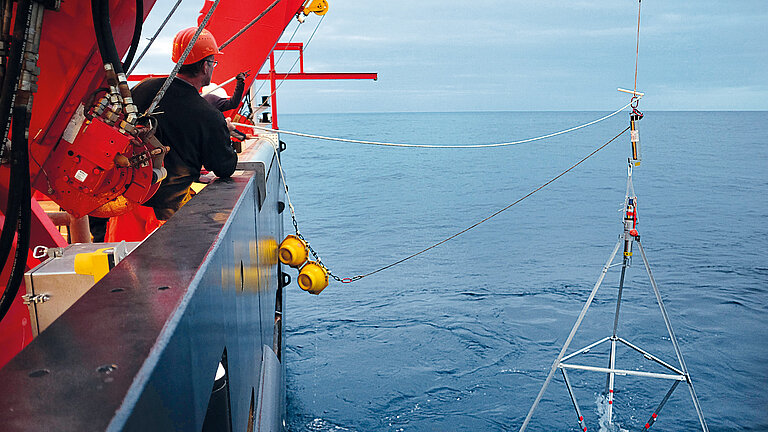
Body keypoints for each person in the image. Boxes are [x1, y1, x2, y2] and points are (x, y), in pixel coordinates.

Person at [105, 27, 238, 242]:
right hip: (166, 217)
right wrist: (224, 131)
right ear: (205, 65)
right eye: (213, 63)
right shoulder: (208, 115)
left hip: (125, 206)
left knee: (120, 269)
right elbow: (224, 166)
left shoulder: (143, 88)